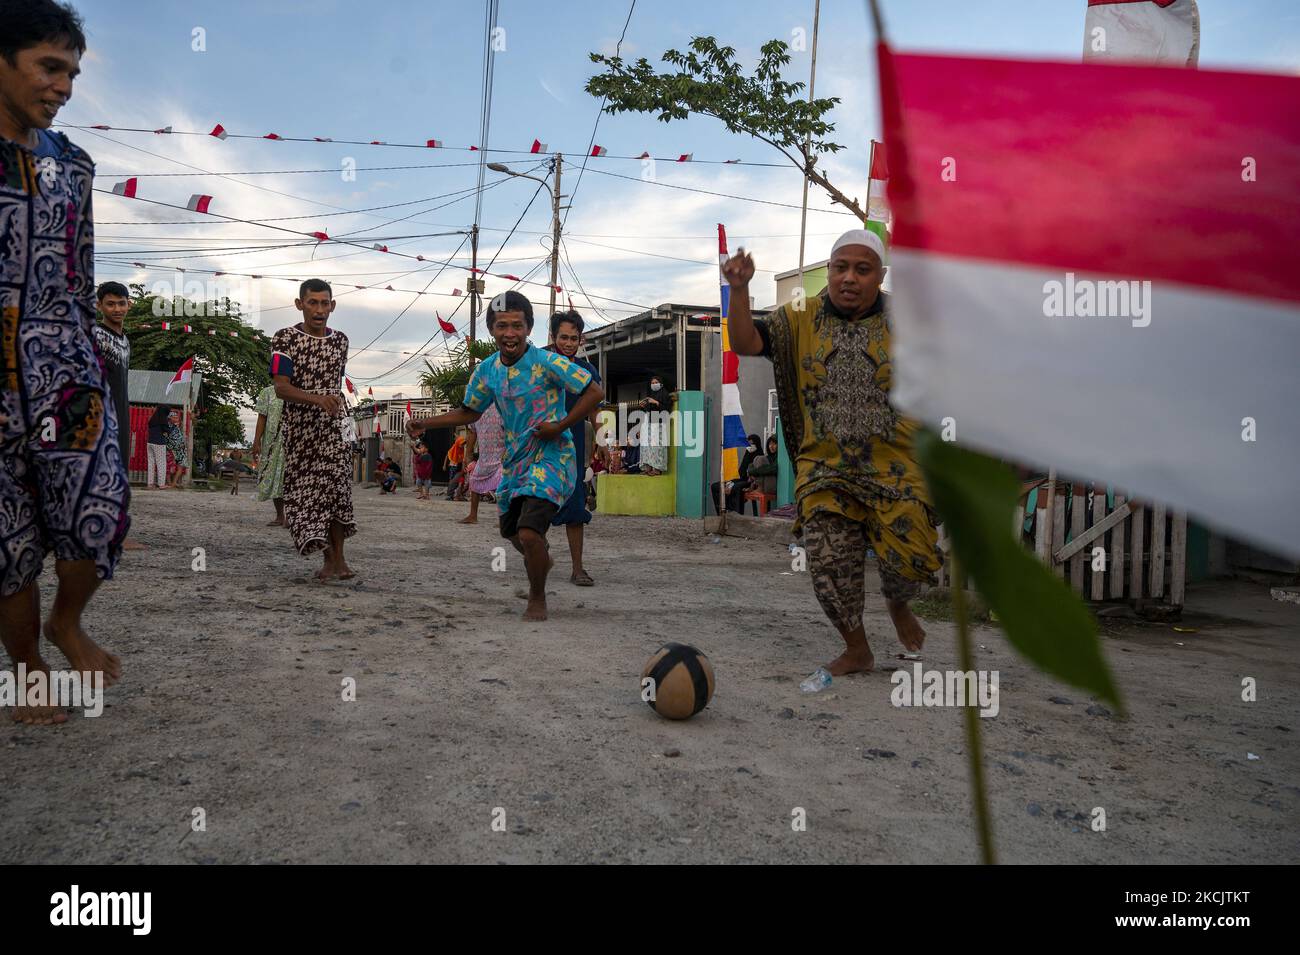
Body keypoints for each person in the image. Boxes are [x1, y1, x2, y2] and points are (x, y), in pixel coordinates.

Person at [725, 229, 943, 678]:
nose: (849, 278)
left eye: (862, 270)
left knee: (912, 563)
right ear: (829, 270)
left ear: (880, 276)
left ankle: (898, 601)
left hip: (898, 465)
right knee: (827, 558)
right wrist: (741, 290)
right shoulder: (801, 314)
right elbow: (746, 343)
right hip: (826, 466)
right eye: (840, 267)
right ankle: (857, 646)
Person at [0, 0, 127, 724]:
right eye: (50, 67)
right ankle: (27, 670)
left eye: (73, 73)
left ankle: (66, 620)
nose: (65, 86)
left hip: (64, 368)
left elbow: (80, 273)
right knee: (7, 534)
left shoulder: (71, 165)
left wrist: (90, 355)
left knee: (96, 512)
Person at [409, 291, 603, 621]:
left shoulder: (548, 362)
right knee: (512, 533)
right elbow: (470, 411)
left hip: (553, 457)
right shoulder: (487, 371)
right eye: (501, 326)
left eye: (517, 325)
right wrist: (425, 422)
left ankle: (537, 598)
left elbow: (594, 391)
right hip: (515, 463)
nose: (509, 333)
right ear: (491, 329)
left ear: (528, 328)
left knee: (529, 532)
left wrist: (560, 426)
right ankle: (541, 558)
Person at [270, 279, 357, 581]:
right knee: (306, 494)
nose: (319, 310)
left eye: (325, 304)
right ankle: (328, 557)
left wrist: (330, 405)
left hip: (335, 427)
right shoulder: (285, 339)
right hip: (301, 430)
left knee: (337, 491)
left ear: (332, 306)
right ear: (300, 304)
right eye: (312, 303)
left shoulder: (341, 341)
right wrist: (317, 399)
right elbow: (281, 389)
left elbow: (336, 382)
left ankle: (339, 560)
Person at [547, 310, 603, 586]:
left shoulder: (587, 371)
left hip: (573, 447)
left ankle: (577, 569)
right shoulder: (542, 366)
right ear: (553, 337)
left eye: (574, 338)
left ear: (580, 339)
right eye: (564, 337)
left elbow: (594, 410)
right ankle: (537, 558)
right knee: (537, 505)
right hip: (542, 445)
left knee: (576, 505)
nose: (568, 343)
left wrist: (603, 440)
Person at [93, 281, 144, 549]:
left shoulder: (124, 340)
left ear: (129, 305)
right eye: (110, 303)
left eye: (121, 303)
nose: (117, 309)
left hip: (120, 415)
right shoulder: (94, 335)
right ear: (98, 305)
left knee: (119, 472)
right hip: (99, 417)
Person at [459, 402, 503, 524]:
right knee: (474, 481)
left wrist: (507, 453)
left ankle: (503, 519)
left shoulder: (503, 406)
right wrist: (468, 453)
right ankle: (473, 515)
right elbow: (473, 432)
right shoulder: (476, 410)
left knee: (502, 486)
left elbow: (510, 431)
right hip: (484, 456)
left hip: (501, 455)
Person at [251, 383, 286, 525]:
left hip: (294, 441)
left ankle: (292, 516)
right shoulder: (267, 392)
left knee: (289, 478)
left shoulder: (300, 391)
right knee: (273, 477)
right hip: (271, 442)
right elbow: (262, 417)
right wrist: (256, 441)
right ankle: (280, 516)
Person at [711, 433, 762, 515]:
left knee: (736, 487)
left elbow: (754, 476)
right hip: (740, 480)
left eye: (752, 443)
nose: (749, 446)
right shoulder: (747, 455)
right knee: (715, 486)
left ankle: (738, 515)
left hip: (751, 483)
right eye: (748, 444)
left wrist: (732, 485)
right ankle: (721, 514)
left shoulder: (760, 457)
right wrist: (730, 483)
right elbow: (741, 473)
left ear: (757, 444)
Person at [636, 375, 670, 476]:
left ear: (661, 383)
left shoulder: (665, 394)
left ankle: (657, 469)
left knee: (657, 446)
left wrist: (656, 402)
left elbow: (667, 409)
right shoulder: (651, 395)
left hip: (658, 422)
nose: (654, 384)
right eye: (652, 383)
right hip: (649, 422)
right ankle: (648, 467)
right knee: (647, 445)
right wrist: (644, 406)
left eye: (656, 382)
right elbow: (648, 411)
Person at [145, 404, 169, 490]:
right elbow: (167, 431)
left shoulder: (152, 419)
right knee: (161, 463)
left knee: (151, 463)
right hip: (159, 443)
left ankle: (150, 484)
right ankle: (161, 484)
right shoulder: (163, 420)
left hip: (150, 443)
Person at [163, 408, 187, 489]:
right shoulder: (167, 427)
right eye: (175, 417)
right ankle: (170, 483)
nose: (177, 419)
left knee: (180, 466)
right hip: (171, 450)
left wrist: (182, 445)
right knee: (169, 467)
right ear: (170, 418)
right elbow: (167, 439)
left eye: (177, 417)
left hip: (180, 450)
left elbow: (179, 437)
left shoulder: (176, 427)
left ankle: (174, 482)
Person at [444, 431, 467, 500]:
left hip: (459, 467)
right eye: (461, 444)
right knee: (452, 481)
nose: (462, 445)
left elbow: (463, 459)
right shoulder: (454, 449)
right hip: (453, 467)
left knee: (459, 481)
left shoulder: (462, 450)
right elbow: (447, 455)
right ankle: (450, 495)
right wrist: (444, 465)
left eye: (463, 444)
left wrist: (464, 467)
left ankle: (457, 495)